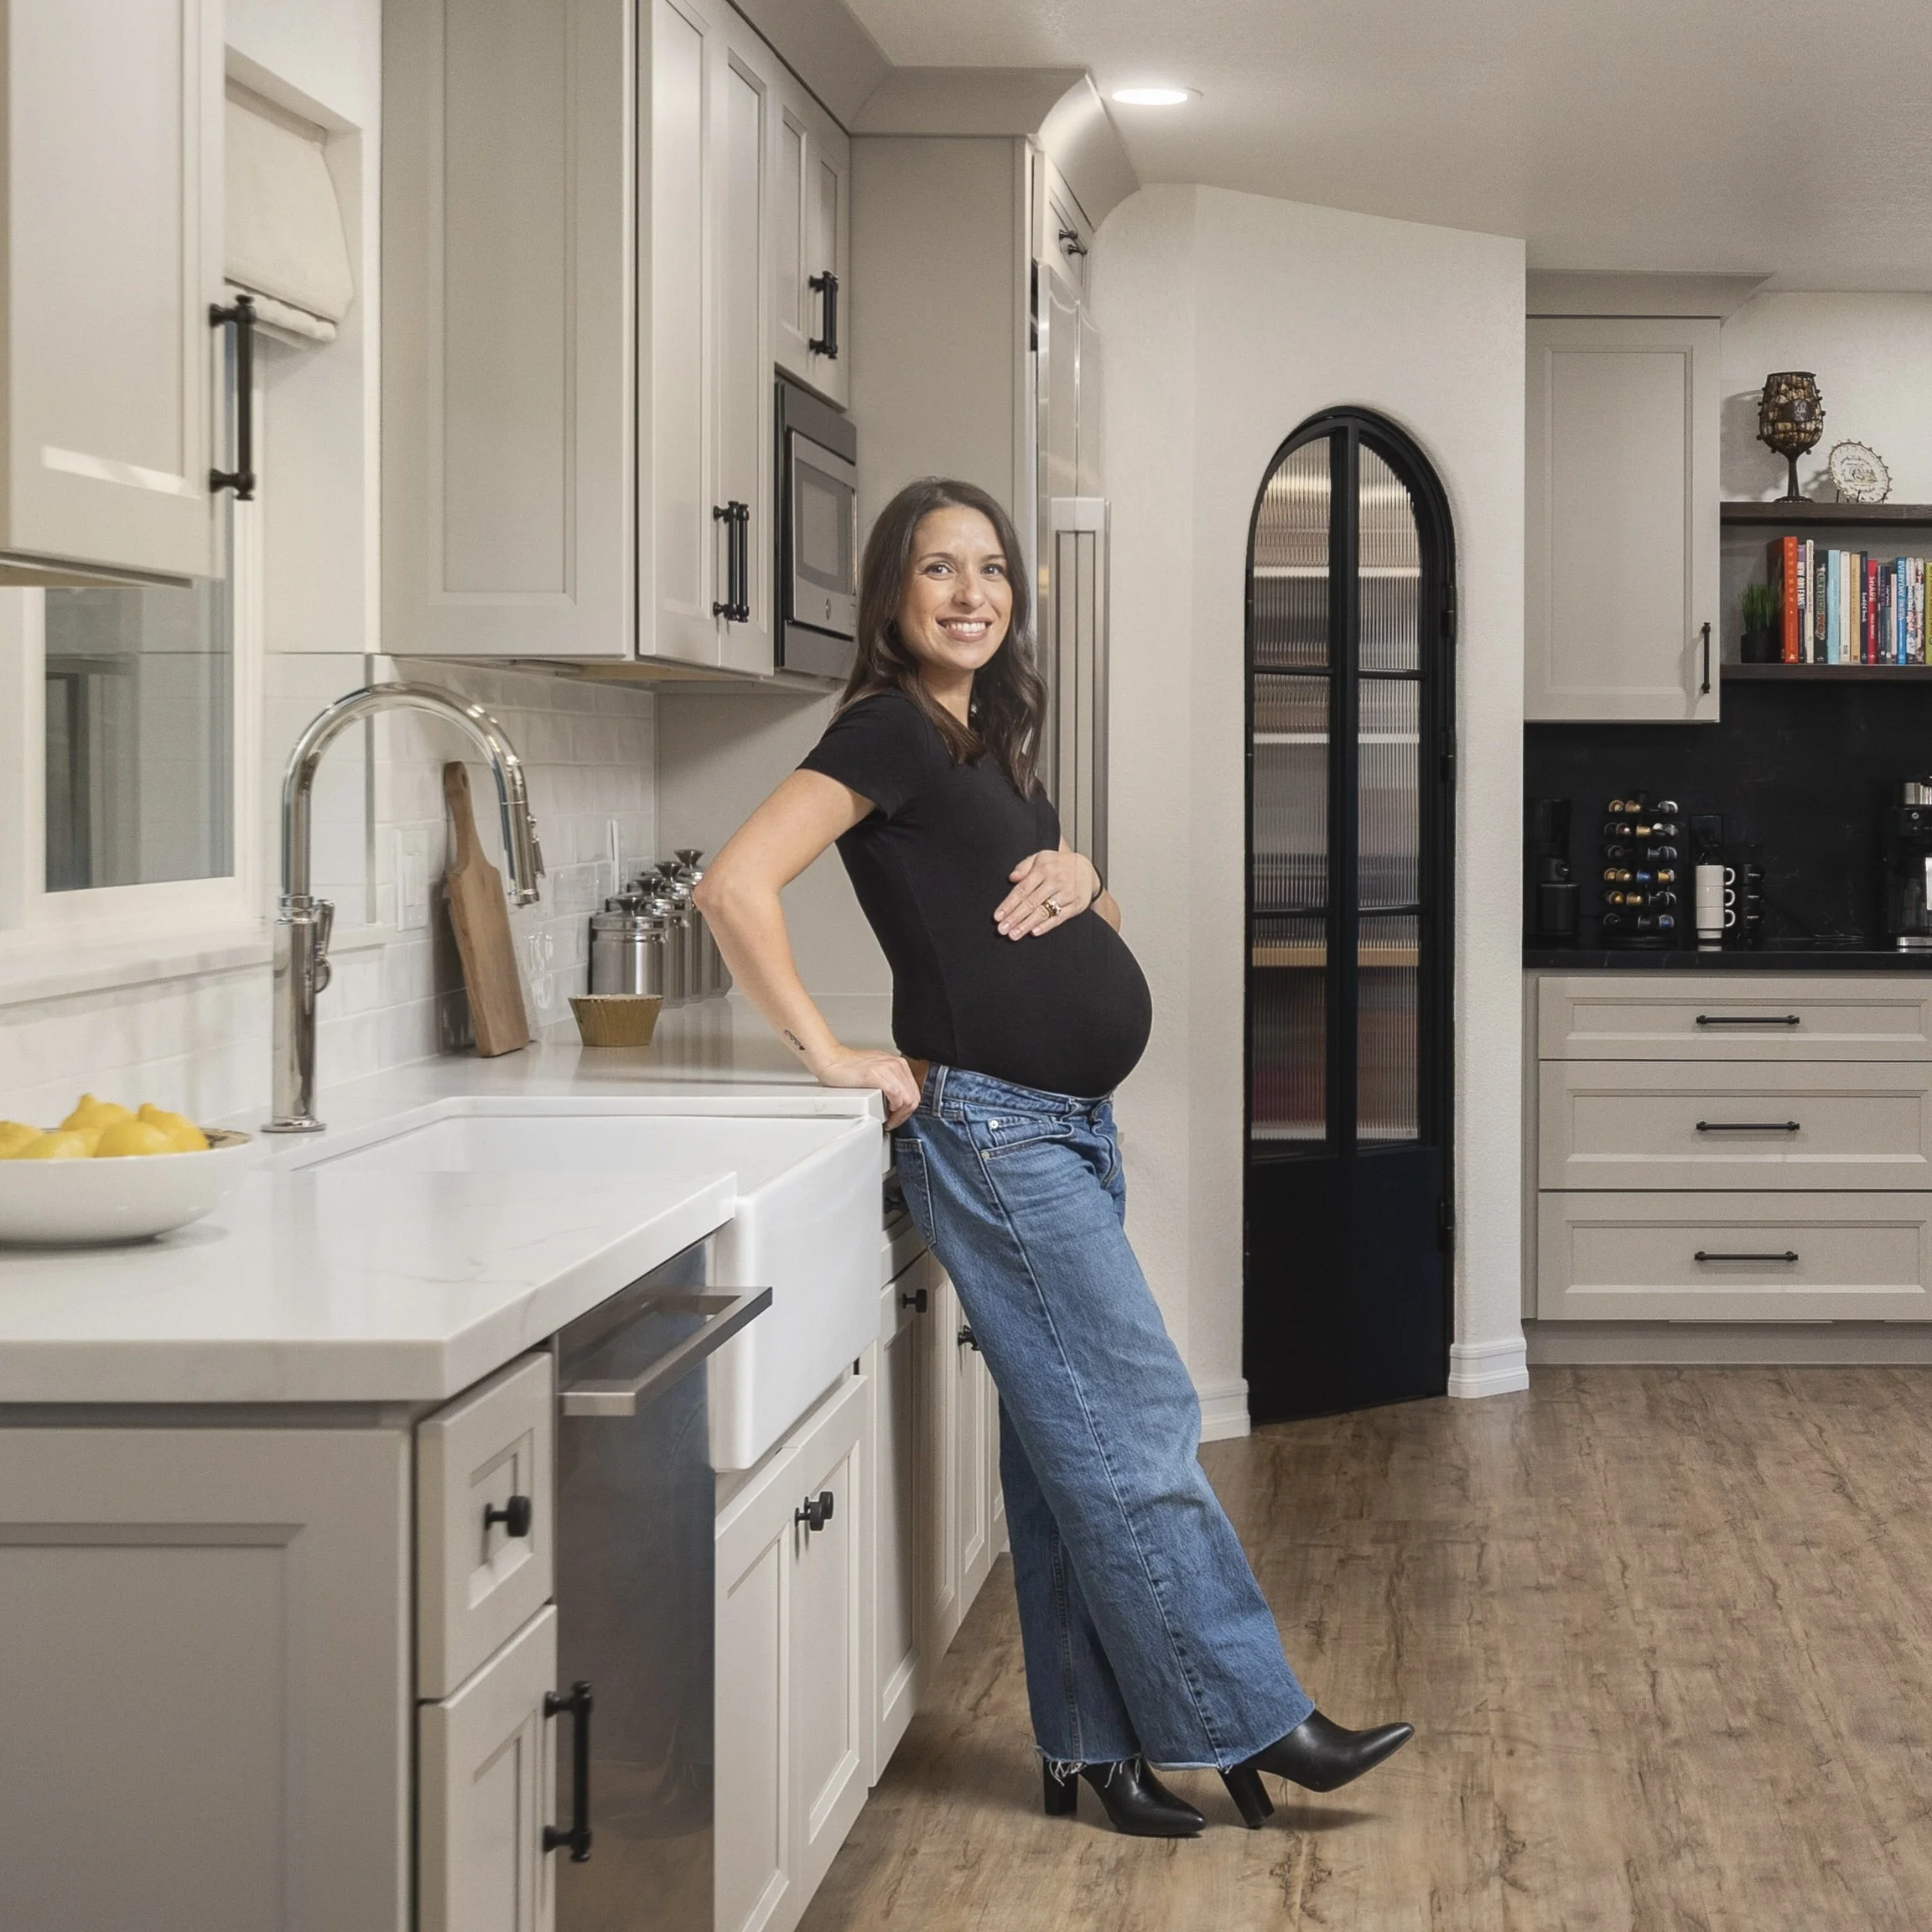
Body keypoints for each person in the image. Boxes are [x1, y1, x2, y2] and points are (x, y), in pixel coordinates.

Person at [693, 477, 1413, 1836]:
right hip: (998, 1129)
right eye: (938, 570)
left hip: (1067, 1128)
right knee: (1138, 1423)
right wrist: (829, 1053)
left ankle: (1090, 1749)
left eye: (992, 571)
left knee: (1063, 1447)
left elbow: (1058, 916)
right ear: (893, 598)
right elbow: (735, 885)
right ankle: (1257, 1718)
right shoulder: (890, 729)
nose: (971, 594)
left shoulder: (983, 741)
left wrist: (1088, 873)